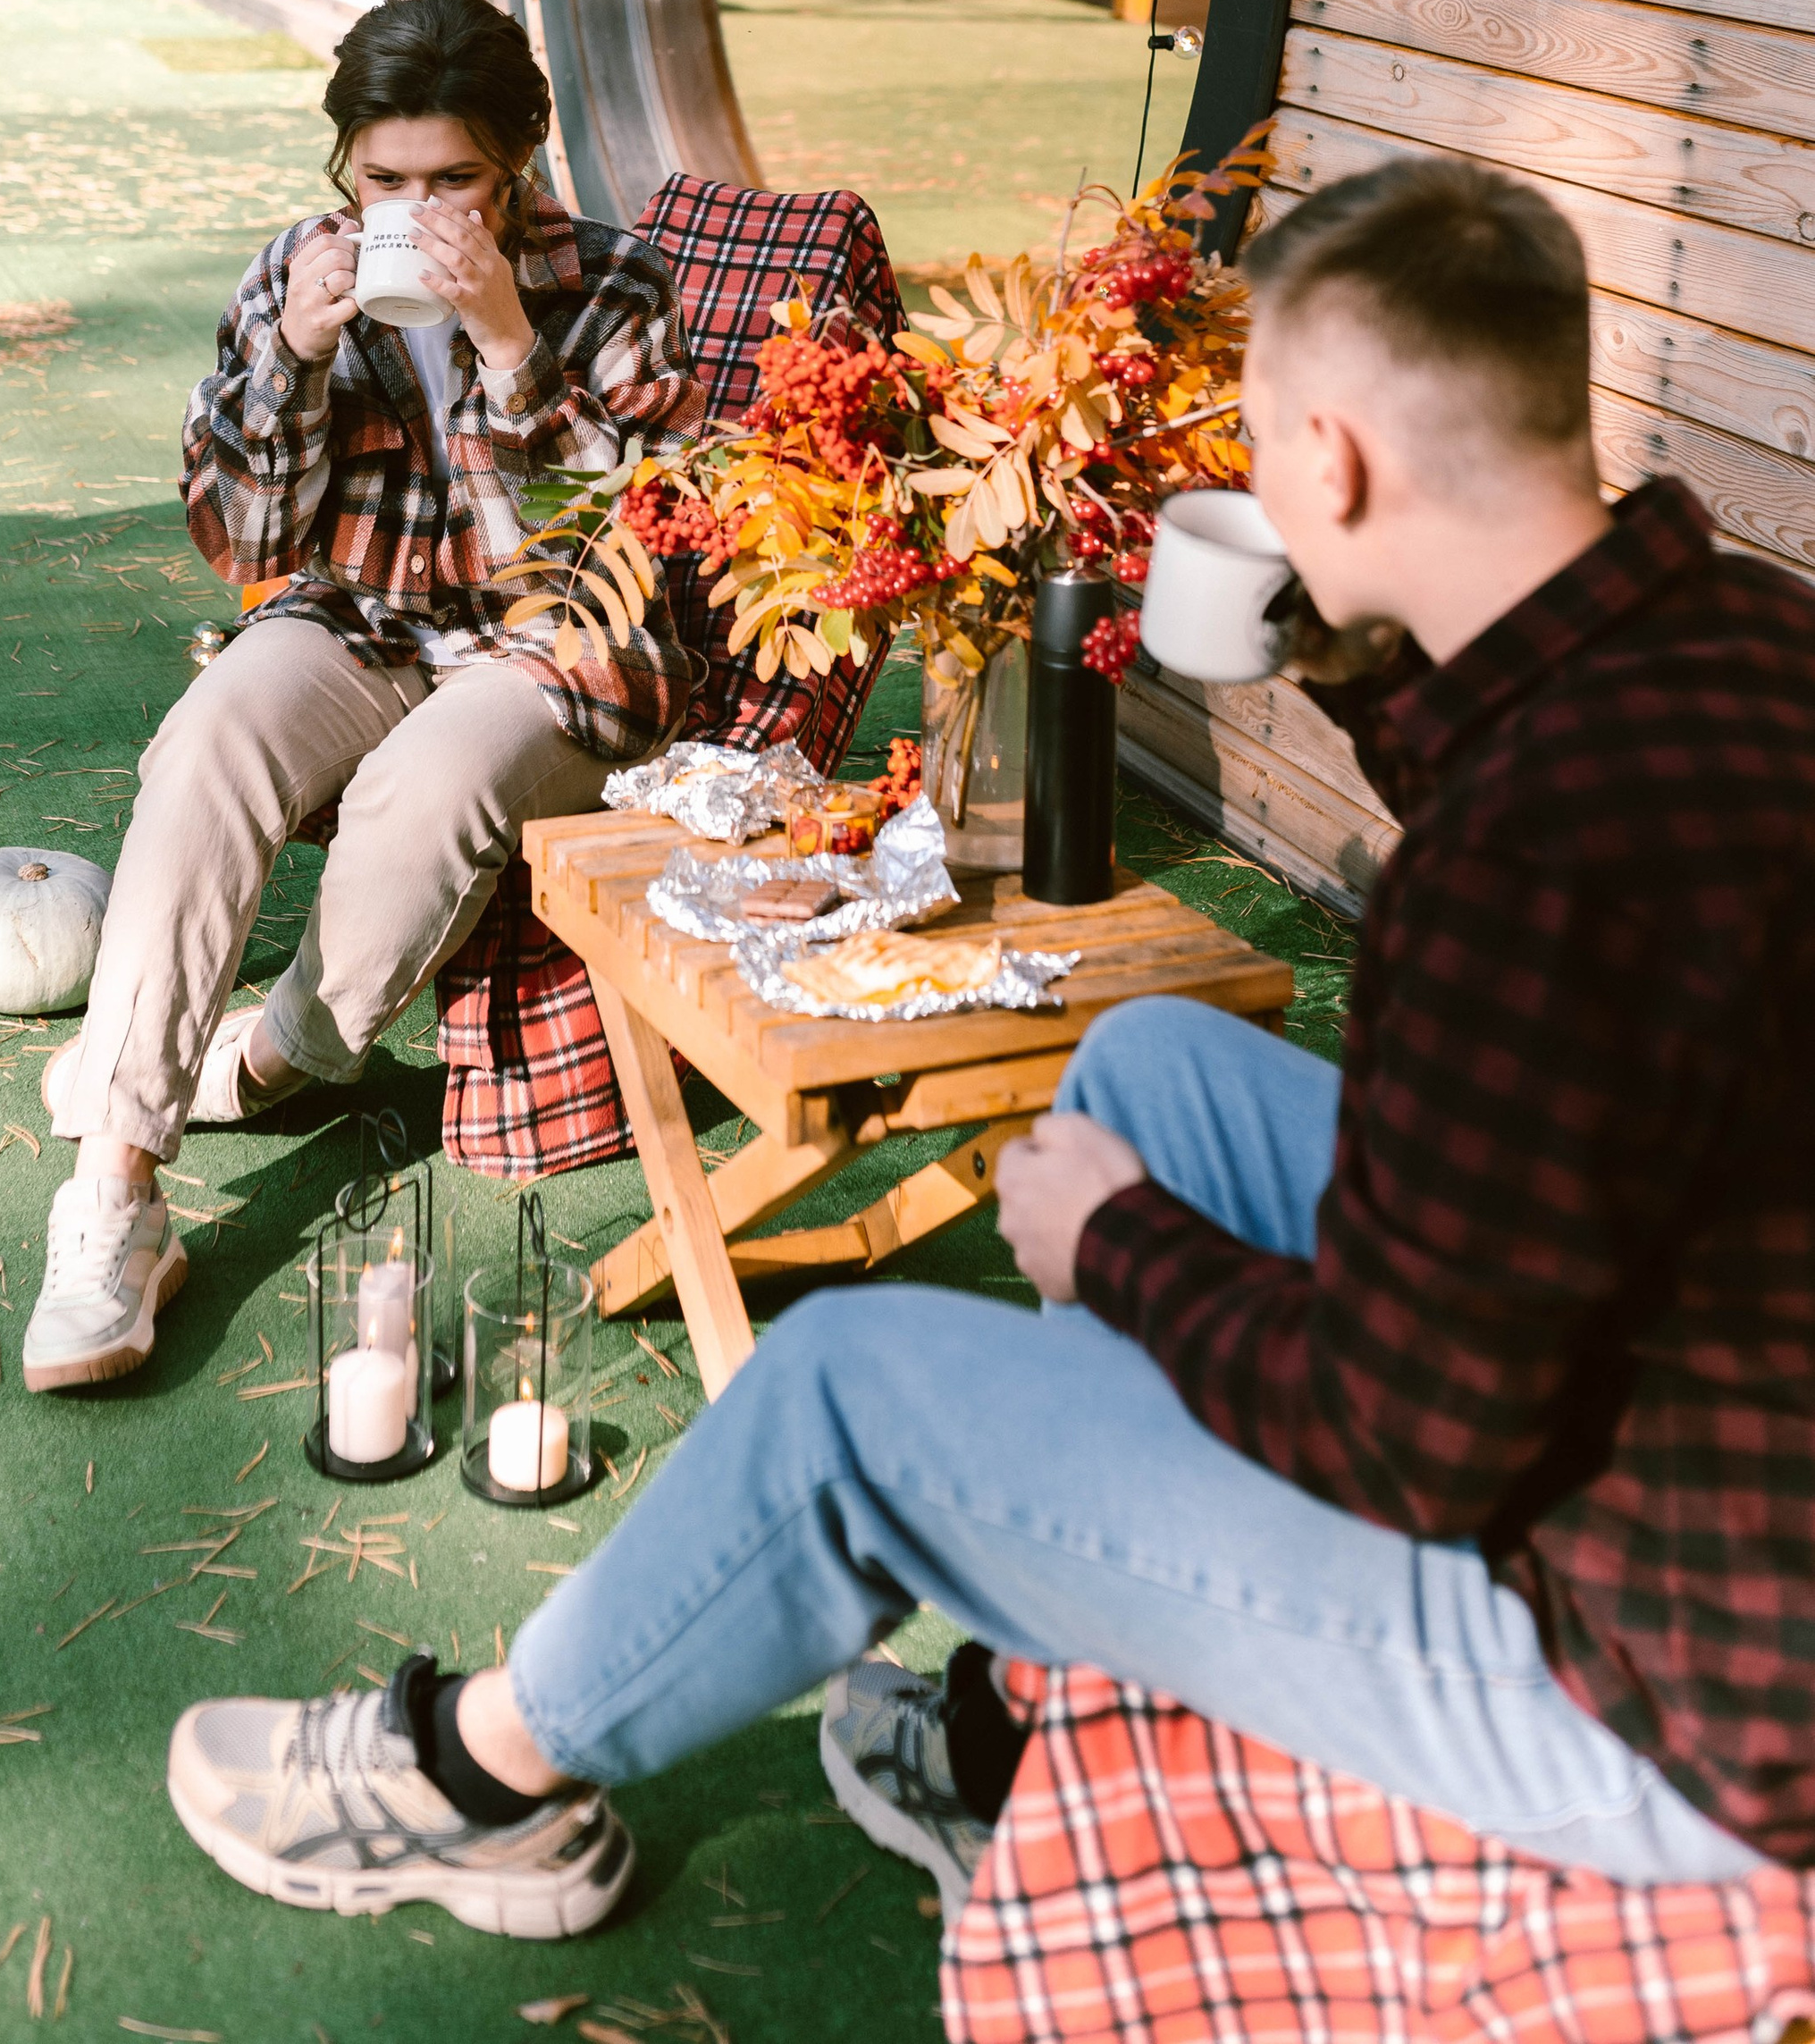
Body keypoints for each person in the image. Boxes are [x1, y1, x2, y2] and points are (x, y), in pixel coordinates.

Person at [159, 154, 1815, 1941]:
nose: (1248, 482)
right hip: (1708, 1446)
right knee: (1149, 1075)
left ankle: (471, 1787)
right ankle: (1020, 1723)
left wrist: (1117, 1251)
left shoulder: (1522, 858)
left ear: (1325, 459)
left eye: (1256, 440)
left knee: (844, 1393)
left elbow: (1408, 1440)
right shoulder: (1740, 633)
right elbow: (1563, 1006)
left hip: (1661, 1694)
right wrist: (1352, 660)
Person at [21, 0, 700, 1394]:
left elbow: (630, 553)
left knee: (426, 787)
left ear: (520, 160)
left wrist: (515, 345)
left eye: (454, 180)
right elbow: (252, 551)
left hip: (561, 644)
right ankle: (116, 1188)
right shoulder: (296, 273)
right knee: (212, 733)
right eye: (384, 181)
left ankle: (280, 1055)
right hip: (363, 616)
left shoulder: (617, 284)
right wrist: (299, 359)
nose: (417, 207)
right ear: (347, 169)